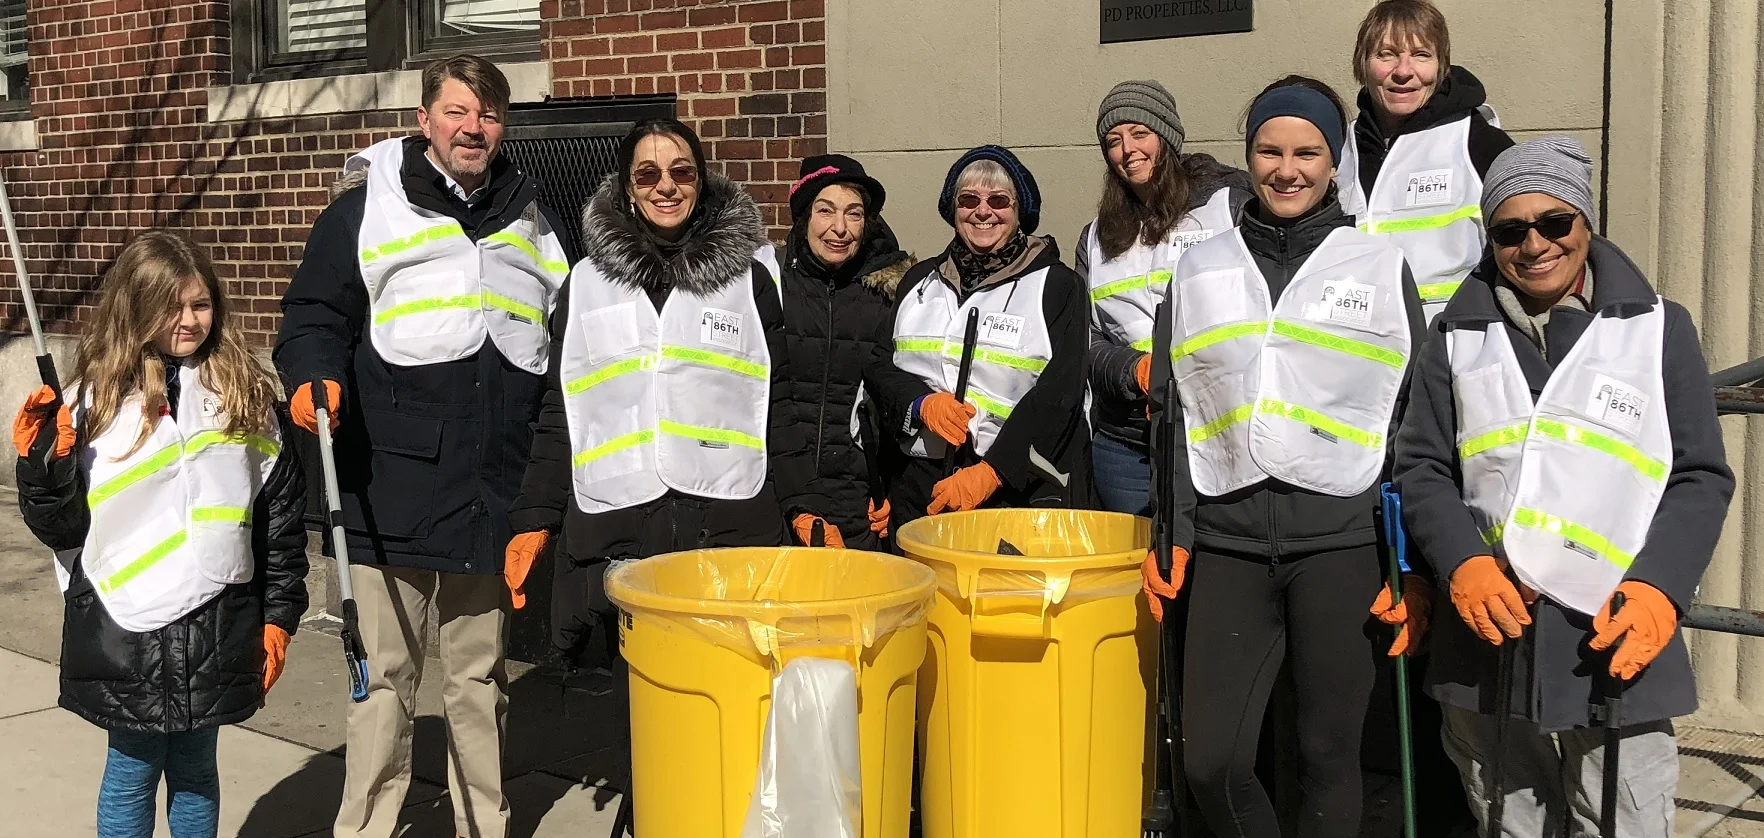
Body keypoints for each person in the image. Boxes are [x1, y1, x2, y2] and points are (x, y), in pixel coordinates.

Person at [1393, 137, 1734, 838]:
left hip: (1612, 632)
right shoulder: (1453, 336)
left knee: (1627, 822)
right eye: (1511, 231)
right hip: (1491, 632)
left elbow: (1699, 477)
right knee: (1508, 825)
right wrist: (1462, 562)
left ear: (1586, 222)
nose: (1535, 245)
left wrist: (1659, 588)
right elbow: (1421, 465)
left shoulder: (1661, 330)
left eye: (1555, 223)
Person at [274, 54, 572, 838]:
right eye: (457, 111)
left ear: (504, 128)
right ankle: (367, 826)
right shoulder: (364, 211)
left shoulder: (532, 219)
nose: (473, 128)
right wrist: (313, 376)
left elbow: (562, 338)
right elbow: (313, 316)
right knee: (384, 682)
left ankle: (484, 825)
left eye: (489, 115)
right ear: (424, 119)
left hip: (490, 494)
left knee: (478, 682)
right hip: (389, 491)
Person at [1143, 76, 1424, 838]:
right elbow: (1176, 411)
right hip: (1229, 543)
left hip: (1342, 544)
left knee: (1328, 758)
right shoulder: (1199, 270)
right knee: (1212, 764)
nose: (1287, 168)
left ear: (1334, 163)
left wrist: (1415, 566)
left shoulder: (1378, 265)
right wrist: (1173, 532)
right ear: (1249, 157)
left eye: (1308, 151)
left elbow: (1408, 420)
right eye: (1270, 150)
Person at [14, 230, 308, 838]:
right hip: (126, 620)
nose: (188, 320)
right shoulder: (92, 401)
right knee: (132, 769)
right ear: (135, 307)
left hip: (219, 615)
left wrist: (280, 614)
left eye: (200, 305)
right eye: (171, 306)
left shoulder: (243, 396)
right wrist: (43, 466)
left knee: (199, 768)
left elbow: (279, 517)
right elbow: (59, 525)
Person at [504, 118, 823, 663]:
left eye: (682, 172)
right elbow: (564, 412)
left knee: (731, 690)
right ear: (627, 189)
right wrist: (535, 516)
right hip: (622, 526)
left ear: (701, 183)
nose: (666, 186)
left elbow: (778, 402)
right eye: (647, 174)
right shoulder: (584, 283)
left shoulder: (748, 280)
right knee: (643, 706)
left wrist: (803, 504)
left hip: (726, 519)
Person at [871, 145, 1089, 530]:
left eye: (999, 200)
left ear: (1020, 211)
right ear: (952, 210)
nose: (983, 211)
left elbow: (1061, 393)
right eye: (968, 199)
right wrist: (920, 404)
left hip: (1012, 492)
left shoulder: (1057, 286)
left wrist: (994, 471)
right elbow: (879, 365)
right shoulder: (918, 281)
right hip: (920, 487)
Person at [1080, 80, 1252, 515]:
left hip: (1213, 427)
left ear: (1168, 138)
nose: (1127, 150)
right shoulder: (1096, 237)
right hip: (1126, 440)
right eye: (1113, 141)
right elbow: (1085, 335)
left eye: (1140, 134)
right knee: (1132, 561)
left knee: (1200, 565)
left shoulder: (1228, 204)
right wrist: (1131, 370)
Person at [765, 154, 915, 550]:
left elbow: (896, 402)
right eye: (825, 211)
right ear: (803, 218)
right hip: (777, 499)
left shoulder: (890, 297)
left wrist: (890, 487)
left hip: (857, 508)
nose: (839, 228)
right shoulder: (770, 289)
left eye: (854, 214)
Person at [1337, 0, 1514, 325]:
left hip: (1453, 348)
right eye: (1386, 54)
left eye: (1421, 55)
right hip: (1364, 354)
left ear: (1441, 65)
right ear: (1362, 63)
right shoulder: (1341, 149)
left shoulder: (1479, 143)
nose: (1403, 72)